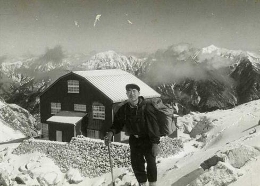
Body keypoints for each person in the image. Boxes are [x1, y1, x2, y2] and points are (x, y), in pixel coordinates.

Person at [104, 83, 161, 186]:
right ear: (126, 94)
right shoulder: (124, 109)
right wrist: (111, 132)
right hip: (134, 140)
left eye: (134, 91)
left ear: (139, 93)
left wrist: (155, 143)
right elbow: (117, 124)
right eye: (129, 91)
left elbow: (154, 126)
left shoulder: (147, 107)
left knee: (151, 164)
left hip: (148, 139)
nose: (132, 94)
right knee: (137, 164)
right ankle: (142, 184)